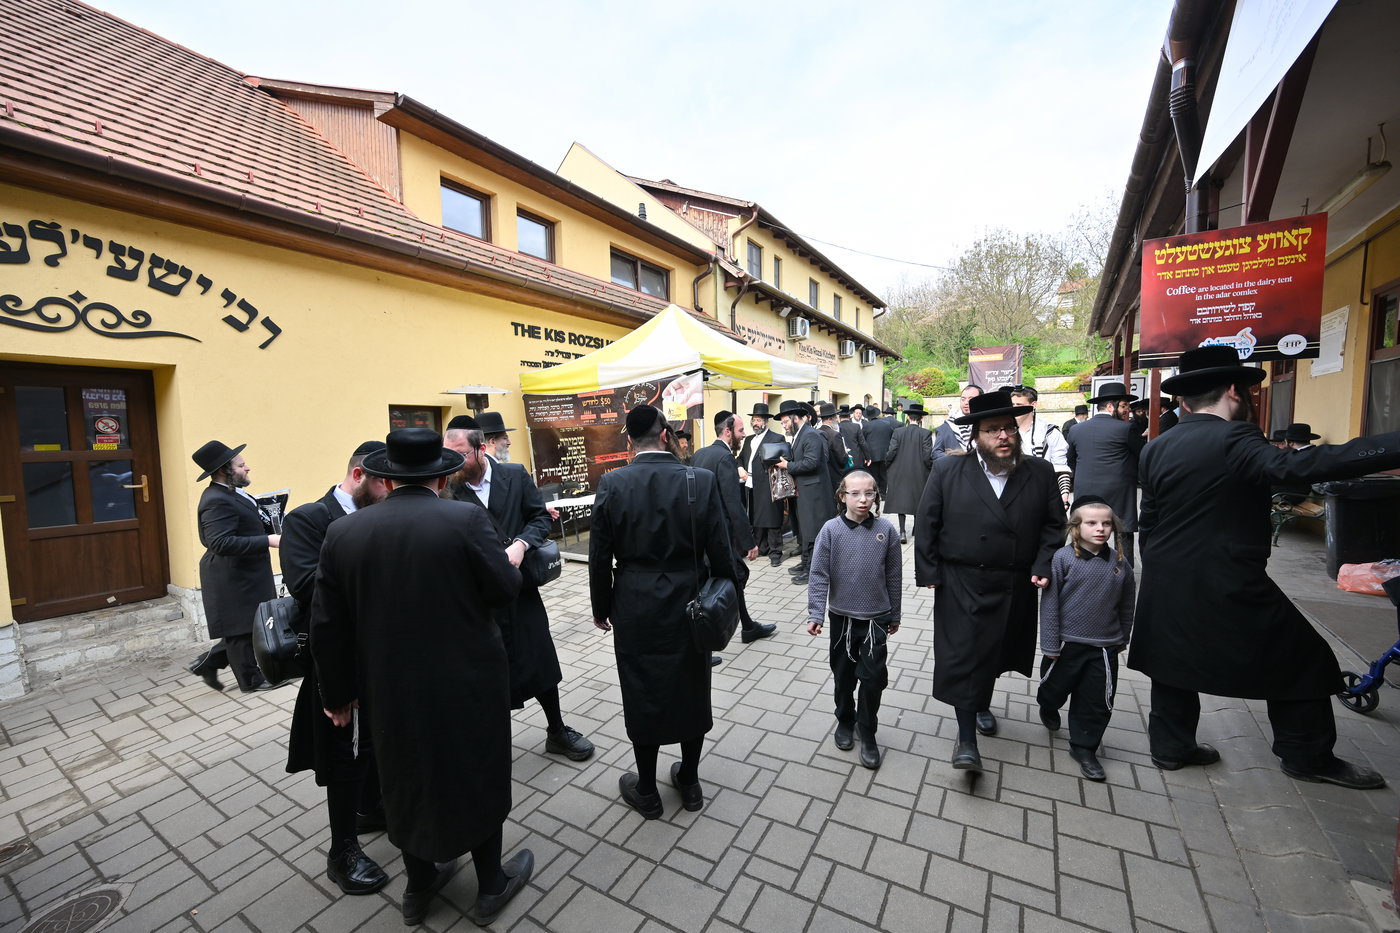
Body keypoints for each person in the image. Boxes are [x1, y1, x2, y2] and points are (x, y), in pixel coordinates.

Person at [1130, 346, 1396, 790]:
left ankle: (1171, 747)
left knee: (1171, 658)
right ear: (1235, 390)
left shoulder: (1156, 447)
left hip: (1166, 574)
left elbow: (1149, 520)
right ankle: (1306, 756)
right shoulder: (1235, 438)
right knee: (1305, 659)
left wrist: (1159, 565)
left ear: (1183, 401)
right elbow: (1297, 468)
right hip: (1228, 579)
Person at [312, 428, 533, 925]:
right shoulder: (465, 519)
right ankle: (490, 883)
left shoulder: (344, 532)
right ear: (441, 476)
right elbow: (504, 587)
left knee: (403, 775)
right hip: (467, 680)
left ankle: (419, 884)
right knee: (475, 769)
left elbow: (327, 624)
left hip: (387, 686)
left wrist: (338, 694)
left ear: (386, 482)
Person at [589, 405, 736, 818]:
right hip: (690, 601)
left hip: (634, 603)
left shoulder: (612, 483)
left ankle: (648, 790)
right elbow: (721, 549)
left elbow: (600, 556)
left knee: (641, 690)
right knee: (693, 686)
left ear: (629, 441)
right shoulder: (700, 480)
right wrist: (725, 599)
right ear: (667, 436)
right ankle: (689, 781)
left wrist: (601, 607)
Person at [914, 390, 1064, 773]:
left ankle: (981, 702)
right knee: (966, 655)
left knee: (994, 653)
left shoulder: (1039, 472)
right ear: (976, 436)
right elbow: (927, 522)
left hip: (1014, 582)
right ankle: (966, 741)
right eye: (993, 429)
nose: (1003, 436)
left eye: (1009, 428)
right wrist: (929, 572)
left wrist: (1044, 562)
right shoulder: (949, 470)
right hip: (961, 580)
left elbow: (1053, 525)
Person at [443, 415, 595, 762]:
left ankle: (556, 730)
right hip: (477, 600)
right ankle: (486, 744)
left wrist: (522, 544)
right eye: (446, 454)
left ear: (481, 449)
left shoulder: (514, 475)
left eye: (459, 454)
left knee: (539, 659)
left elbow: (539, 517)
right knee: (482, 673)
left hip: (520, 590)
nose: (451, 462)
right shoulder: (447, 490)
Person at [281, 441, 390, 896]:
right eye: (388, 484)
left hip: (384, 655)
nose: (395, 493)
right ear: (361, 475)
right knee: (345, 751)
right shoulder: (307, 519)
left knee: (378, 747)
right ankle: (341, 850)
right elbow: (307, 587)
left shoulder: (381, 515)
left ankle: (372, 810)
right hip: (337, 657)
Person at [807, 471, 901, 770]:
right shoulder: (831, 530)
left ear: (876, 496)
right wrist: (815, 612)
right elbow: (819, 574)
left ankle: (868, 729)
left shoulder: (886, 530)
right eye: (855, 493)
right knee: (843, 676)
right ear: (842, 496)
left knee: (873, 680)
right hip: (842, 619)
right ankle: (845, 720)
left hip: (875, 620)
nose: (863, 500)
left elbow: (894, 576)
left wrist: (895, 614)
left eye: (870, 493)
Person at [1037, 495, 1135, 782]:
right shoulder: (1062, 559)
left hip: (1104, 646)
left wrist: (1123, 637)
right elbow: (1050, 603)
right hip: (1066, 644)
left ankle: (1084, 748)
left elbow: (1127, 602)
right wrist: (1051, 643)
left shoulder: (1120, 562)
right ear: (1075, 527)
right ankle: (1048, 704)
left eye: (1106, 523)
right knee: (1055, 686)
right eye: (1091, 523)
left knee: (1097, 700)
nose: (1100, 529)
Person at [187, 440, 279, 693]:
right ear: (223, 470)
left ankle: (208, 664)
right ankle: (250, 680)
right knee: (241, 629)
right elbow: (220, 542)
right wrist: (267, 540)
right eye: (241, 465)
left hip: (245, 570)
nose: (247, 468)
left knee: (247, 625)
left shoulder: (230, 493)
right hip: (231, 574)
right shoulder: (216, 500)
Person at [691, 410, 776, 649]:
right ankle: (709, 638)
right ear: (727, 432)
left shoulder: (700, 454)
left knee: (730, 579)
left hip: (700, 534)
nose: (744, 434)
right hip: (719, 535)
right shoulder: (725, 458)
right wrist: (749, 542)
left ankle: (747, 626)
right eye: (740, 431)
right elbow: (733, 505)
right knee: (732, 578)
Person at [1066, 382, 1145, 564]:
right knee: (1123, 535)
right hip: (1120, 492)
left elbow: (1071, 460)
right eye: (1124, 406)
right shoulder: (1126, 429)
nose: (1127, 411)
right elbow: (1143, 455)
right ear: (1111, 406)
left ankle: (1080, 569)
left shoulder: (1076, 430)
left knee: (1084, 532)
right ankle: (1124, 574)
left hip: (1085, 489)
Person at [776, 400, 837, 586]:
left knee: (813, 533)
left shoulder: (811, 435)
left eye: (785, 422)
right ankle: (805, 564)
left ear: (795, 418)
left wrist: (788, 465)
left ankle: (813, 570)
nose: (784, 426)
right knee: (805, 531)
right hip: (805, 492)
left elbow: (812, 463)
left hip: (815, 494)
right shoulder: (801, 434)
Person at [738, 403, 786, 565]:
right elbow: (740, 458)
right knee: (755, 515)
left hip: (768, 483)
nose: (755, 423)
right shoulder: (749, 439)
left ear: (766, 421)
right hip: (750, 483)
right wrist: (739, 467)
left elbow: (783, 458)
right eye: (753, 420)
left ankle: (775, 552)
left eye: (758, 420)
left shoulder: (776, 438)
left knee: (772, 516)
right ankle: (761, 547)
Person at [1010, 385, 1071, 508]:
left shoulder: (1050, 432)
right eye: (1013, 405)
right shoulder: (1005, 432)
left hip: (1043, 494)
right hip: (1011, 494)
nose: (1015, 408)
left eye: (1019, 405)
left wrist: (1063, 499)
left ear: (1034, 405)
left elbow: (1060, 468)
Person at [883, 403, 933, 544]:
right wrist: (930, 468)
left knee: (901, 501)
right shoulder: (926, 433)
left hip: (899, 471)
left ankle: (903, 531)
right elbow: (927, 455)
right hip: (919, 471)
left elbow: (892, 451)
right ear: (921, 419)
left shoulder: (898, 432)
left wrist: (887, 464)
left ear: (908, 417)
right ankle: (917, 529)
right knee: (919, 499)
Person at [933, 385, 983, 459]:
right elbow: (936, 453)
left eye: (971, 399)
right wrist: (955, 458)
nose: (966, 402)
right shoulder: (947, 427)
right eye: (963, 399)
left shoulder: (989, 424)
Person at [862, 405, 896, 495]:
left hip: (872, 454)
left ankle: (875, 493)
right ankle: (883, 494)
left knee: (874, 474)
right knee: (884, 474)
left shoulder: (867, 426)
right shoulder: (886, 424)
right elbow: (891, 436)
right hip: (885, 453)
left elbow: (863, 440)